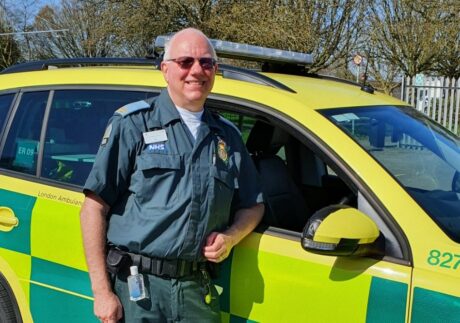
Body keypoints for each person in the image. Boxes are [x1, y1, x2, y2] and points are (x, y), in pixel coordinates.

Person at [80, 28, 264, 323]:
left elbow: (253, 204)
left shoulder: (227, 136)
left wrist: (231, 237)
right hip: (139, 290)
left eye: (206, 63)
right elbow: (93, 207)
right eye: (185, 62)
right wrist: (102, 292)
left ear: (215, 71)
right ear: (166, 70)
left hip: (196, 288)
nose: (196, 71)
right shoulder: (133, 124)